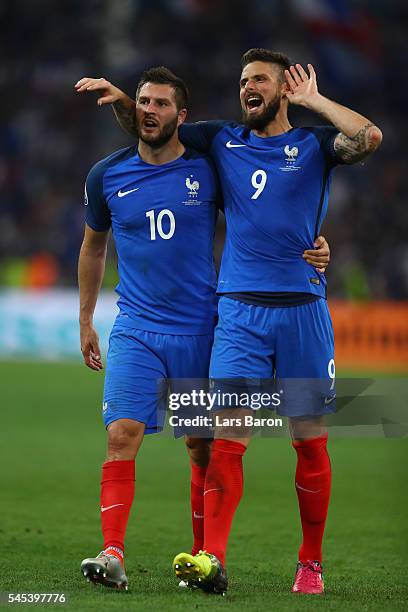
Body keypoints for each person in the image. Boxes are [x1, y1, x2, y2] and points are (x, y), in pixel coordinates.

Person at [76, 63, 331, 592]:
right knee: (121, 434)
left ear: (182, 115)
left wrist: (317, 244)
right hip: (137, 328)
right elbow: (92, 245)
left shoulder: (209, 167)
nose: (149, 110)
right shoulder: (106, 175)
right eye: (143, 102)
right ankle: (112, 551)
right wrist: (85, 318)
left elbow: (267, 211)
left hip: (201, 328)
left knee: (202, 446)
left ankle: (203, 557)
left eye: (161, 103)